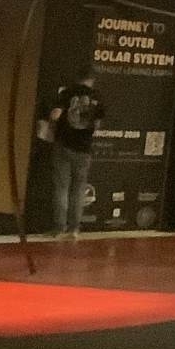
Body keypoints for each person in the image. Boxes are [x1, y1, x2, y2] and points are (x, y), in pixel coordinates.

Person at [46, 70, 103, 239]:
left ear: (78, 78)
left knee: (61, 187)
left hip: (64, 145)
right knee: (79, 189)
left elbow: (55, 115)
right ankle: (74, 229)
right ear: (92, 79)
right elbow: (98, 124)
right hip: (84, 149)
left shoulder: (67, 92)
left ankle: (59, 228)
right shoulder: (97, 97)